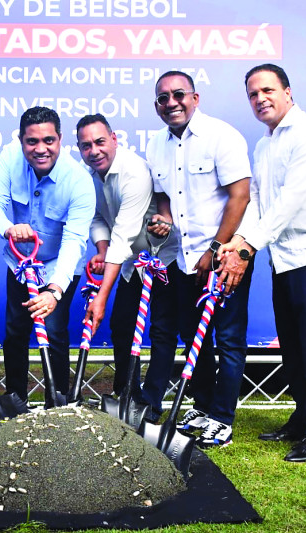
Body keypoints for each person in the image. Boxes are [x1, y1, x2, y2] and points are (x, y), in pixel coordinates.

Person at [220, 64, 306, 462]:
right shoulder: (264, 145)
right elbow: (259, 204)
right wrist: (241, 240)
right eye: (253, 94)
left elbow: (291, 201)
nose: (261, 99)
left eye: (268, 90)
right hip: (283, 258)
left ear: (288, 92)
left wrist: (246, 246)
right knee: (291, 349)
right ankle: (302, 419)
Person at [145, 71, 253, 448]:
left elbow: (241, 196)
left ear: (195, 97)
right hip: (183, 259)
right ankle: (204, 406)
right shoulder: (156, 145)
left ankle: (223, 418)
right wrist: (164, 222)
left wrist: (215, 250)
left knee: (228, 337)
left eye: (179, 94)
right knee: (194, 338)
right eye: (162, 98)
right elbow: (164, 200)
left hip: (225, 257)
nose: (171, 102)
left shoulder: (221, 136)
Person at [0, 106, 95, 405]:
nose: (40, 149)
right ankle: (14, 401)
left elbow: (74, 240)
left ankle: (58, 405)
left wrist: (55, 290)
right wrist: (8, 229)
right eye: (32, 142)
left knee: (55, 332)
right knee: (15, 330)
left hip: (59, 265)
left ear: (60, 139)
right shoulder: (9, 157)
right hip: (20, 262)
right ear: (21, 140)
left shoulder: (79, 179)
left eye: (48, 140)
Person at [76, 114, 178, 420]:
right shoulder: (89, 174)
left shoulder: (134, 172)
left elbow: (123, 233)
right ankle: (127, 394)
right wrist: (101, 250)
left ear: (114, 139)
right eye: (85, 145)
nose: (94, 150)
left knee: (162, 331)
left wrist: (101, 296)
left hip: (162, 259)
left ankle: (151, 404)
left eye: (100, 142)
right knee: (122, 327)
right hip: (131, 262)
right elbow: (96, 218)